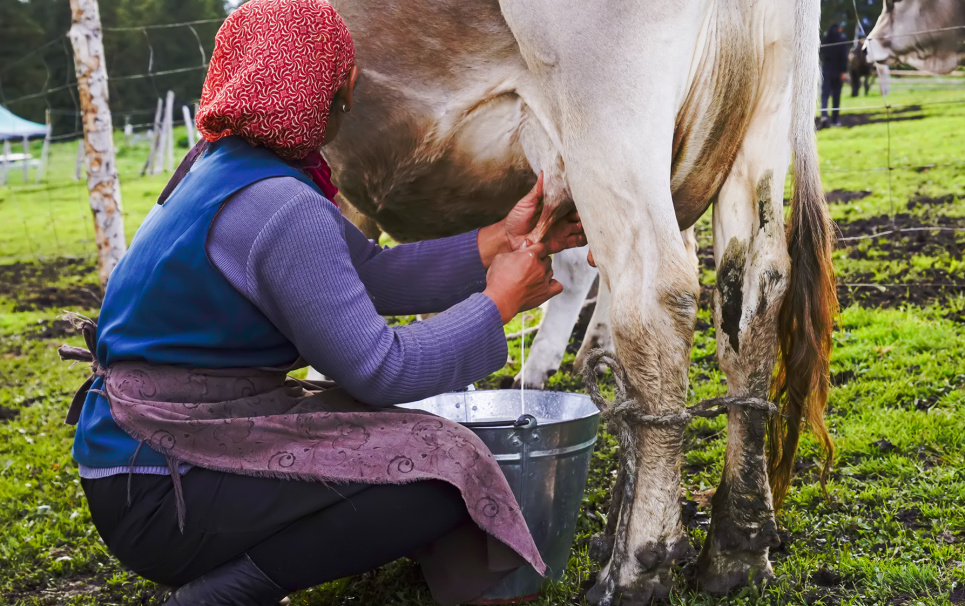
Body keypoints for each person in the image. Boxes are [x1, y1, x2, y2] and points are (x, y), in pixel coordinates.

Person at [60, 1, 586, 604]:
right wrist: (498, 303)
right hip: (164, 490)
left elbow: (370, 273)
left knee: (395, 439)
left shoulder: (222, 167)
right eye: (345, 84)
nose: (351, 100)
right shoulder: (285, 208)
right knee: (445, 470)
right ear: (328, 91)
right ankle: (226, 592)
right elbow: (383, 369)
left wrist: (496, 240)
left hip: (140, 458)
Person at [820, 23, 849, 127]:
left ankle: (824, 116)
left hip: (827, 70)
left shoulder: (825, 39)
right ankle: (835, 120)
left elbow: (821, 51)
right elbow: (844, 57)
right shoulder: (842, 40)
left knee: (825, 95)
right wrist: (843, 71)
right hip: (838, 72)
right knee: (836, 96)